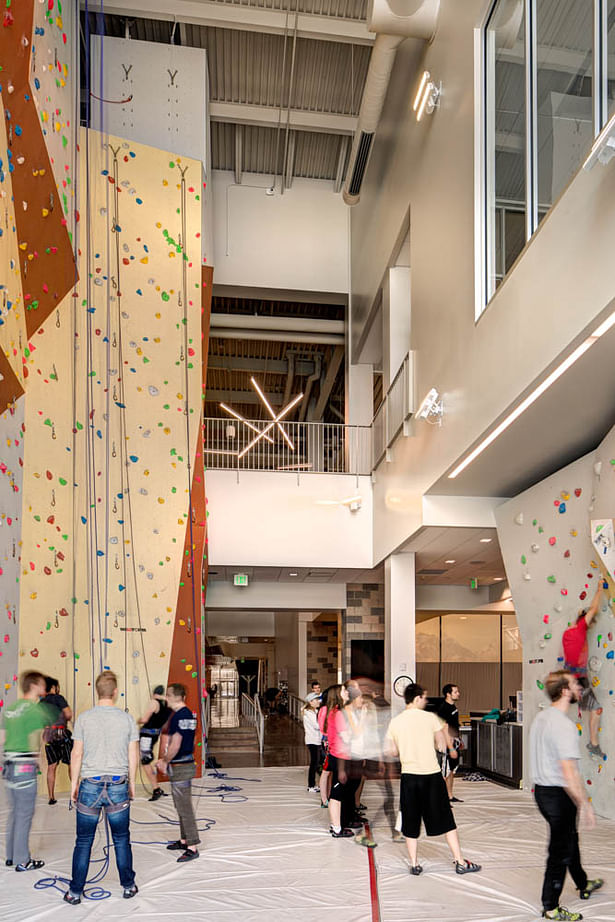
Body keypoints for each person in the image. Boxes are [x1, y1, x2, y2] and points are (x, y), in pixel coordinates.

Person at [385, 683, 481, 877]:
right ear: (418, 698)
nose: (426, 701)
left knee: (410, 821)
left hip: (409, 778)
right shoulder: (430, 718)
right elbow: (440, 745)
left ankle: (414, 864)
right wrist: (445, 746)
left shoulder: (395, 722)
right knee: (446, 819)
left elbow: (392, 751)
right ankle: (460, 862)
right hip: (431, 776)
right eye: (425, 697)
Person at [530, 670, 603, 922]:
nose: (579, 688)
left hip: (542, 791)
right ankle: (551, 907)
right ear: (564, 691)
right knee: (560, 850)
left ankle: (582, 883)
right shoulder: (563, 725)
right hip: (558, 794)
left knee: (570, 839)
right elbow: (568, 770)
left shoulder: (542, 717)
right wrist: (584, 803)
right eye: (574, 684)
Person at [64, 671, 139, 905]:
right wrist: (133, 783)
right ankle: (128, 886)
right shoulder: (126, 719)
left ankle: (75, 892)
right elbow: (133, 754)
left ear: (97, 691)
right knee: (121, 839)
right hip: (118, 784)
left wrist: (74, 784)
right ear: (115, 692)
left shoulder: (84, 719)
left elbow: (76, 753)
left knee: (83, 841)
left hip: (90, 785)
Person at [0, 670, 52, 871]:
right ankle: (23, 860)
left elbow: (2, 739)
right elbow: (34, 742)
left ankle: (11, 856)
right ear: (34, 685)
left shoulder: (10, 709)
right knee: (24, 814)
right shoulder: (36, 710)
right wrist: (38, 761)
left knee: (14, 812)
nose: (44, 688)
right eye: (41, 684)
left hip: (9, 763)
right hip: (24, 764)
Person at [562, 582, 606, 758]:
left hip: (570, 677)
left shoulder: (568, 632)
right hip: (577, 679)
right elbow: (594, 609)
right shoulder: (580, 629)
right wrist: (600, 590)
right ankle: (593, 743)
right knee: (596, 709)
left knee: (564, 709)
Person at [157, 683, 200, 862]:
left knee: (184, 807)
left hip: (180, 765)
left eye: (168, 695)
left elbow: (175, 744)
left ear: (177, 697)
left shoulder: (177, 717)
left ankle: (192, 845)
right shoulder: (188, 714)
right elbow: (193, 737)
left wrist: (164, 760)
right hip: (185, 762)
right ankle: (184, 839)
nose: (166, 698)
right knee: (181, 805)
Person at [42, 676, 73, 805]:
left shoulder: (41, 702)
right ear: (54, 687)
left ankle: (51, 797)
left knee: (51, 767)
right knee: (72, 764)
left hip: (49, 736)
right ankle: (75, 793)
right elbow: (68, 714)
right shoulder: (59, 698)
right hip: (62, 735)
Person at [138, 684, 171, 802]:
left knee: (145, 761)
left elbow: (145, 719)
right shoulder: (168, 705)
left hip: (147, 735)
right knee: (145, 760)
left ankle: (156, 789)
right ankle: (156, 787)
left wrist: (137, 721)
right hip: (155, 735)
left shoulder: (154, 702)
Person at [438, 683, 462, 804]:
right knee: (444, 772)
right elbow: (443, 728)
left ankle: (449, 796)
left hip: (455, 741)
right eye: (455, 692)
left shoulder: (453, 707)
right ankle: (441, 799)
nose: (458, 694)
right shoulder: (444, 708)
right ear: (448, 694)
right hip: (447, 744)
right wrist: (450, 746)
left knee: (451, 770)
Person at [303, 692, 322, 793]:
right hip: (312, 741)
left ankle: (319, 782)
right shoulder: (308, 712)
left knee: (318, 763)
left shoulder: (315, 711)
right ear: (310, 702)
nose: (318, 701)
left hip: (317, 740)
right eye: (316, 700)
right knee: (314, 763)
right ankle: (311, 785)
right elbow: (317, 726)